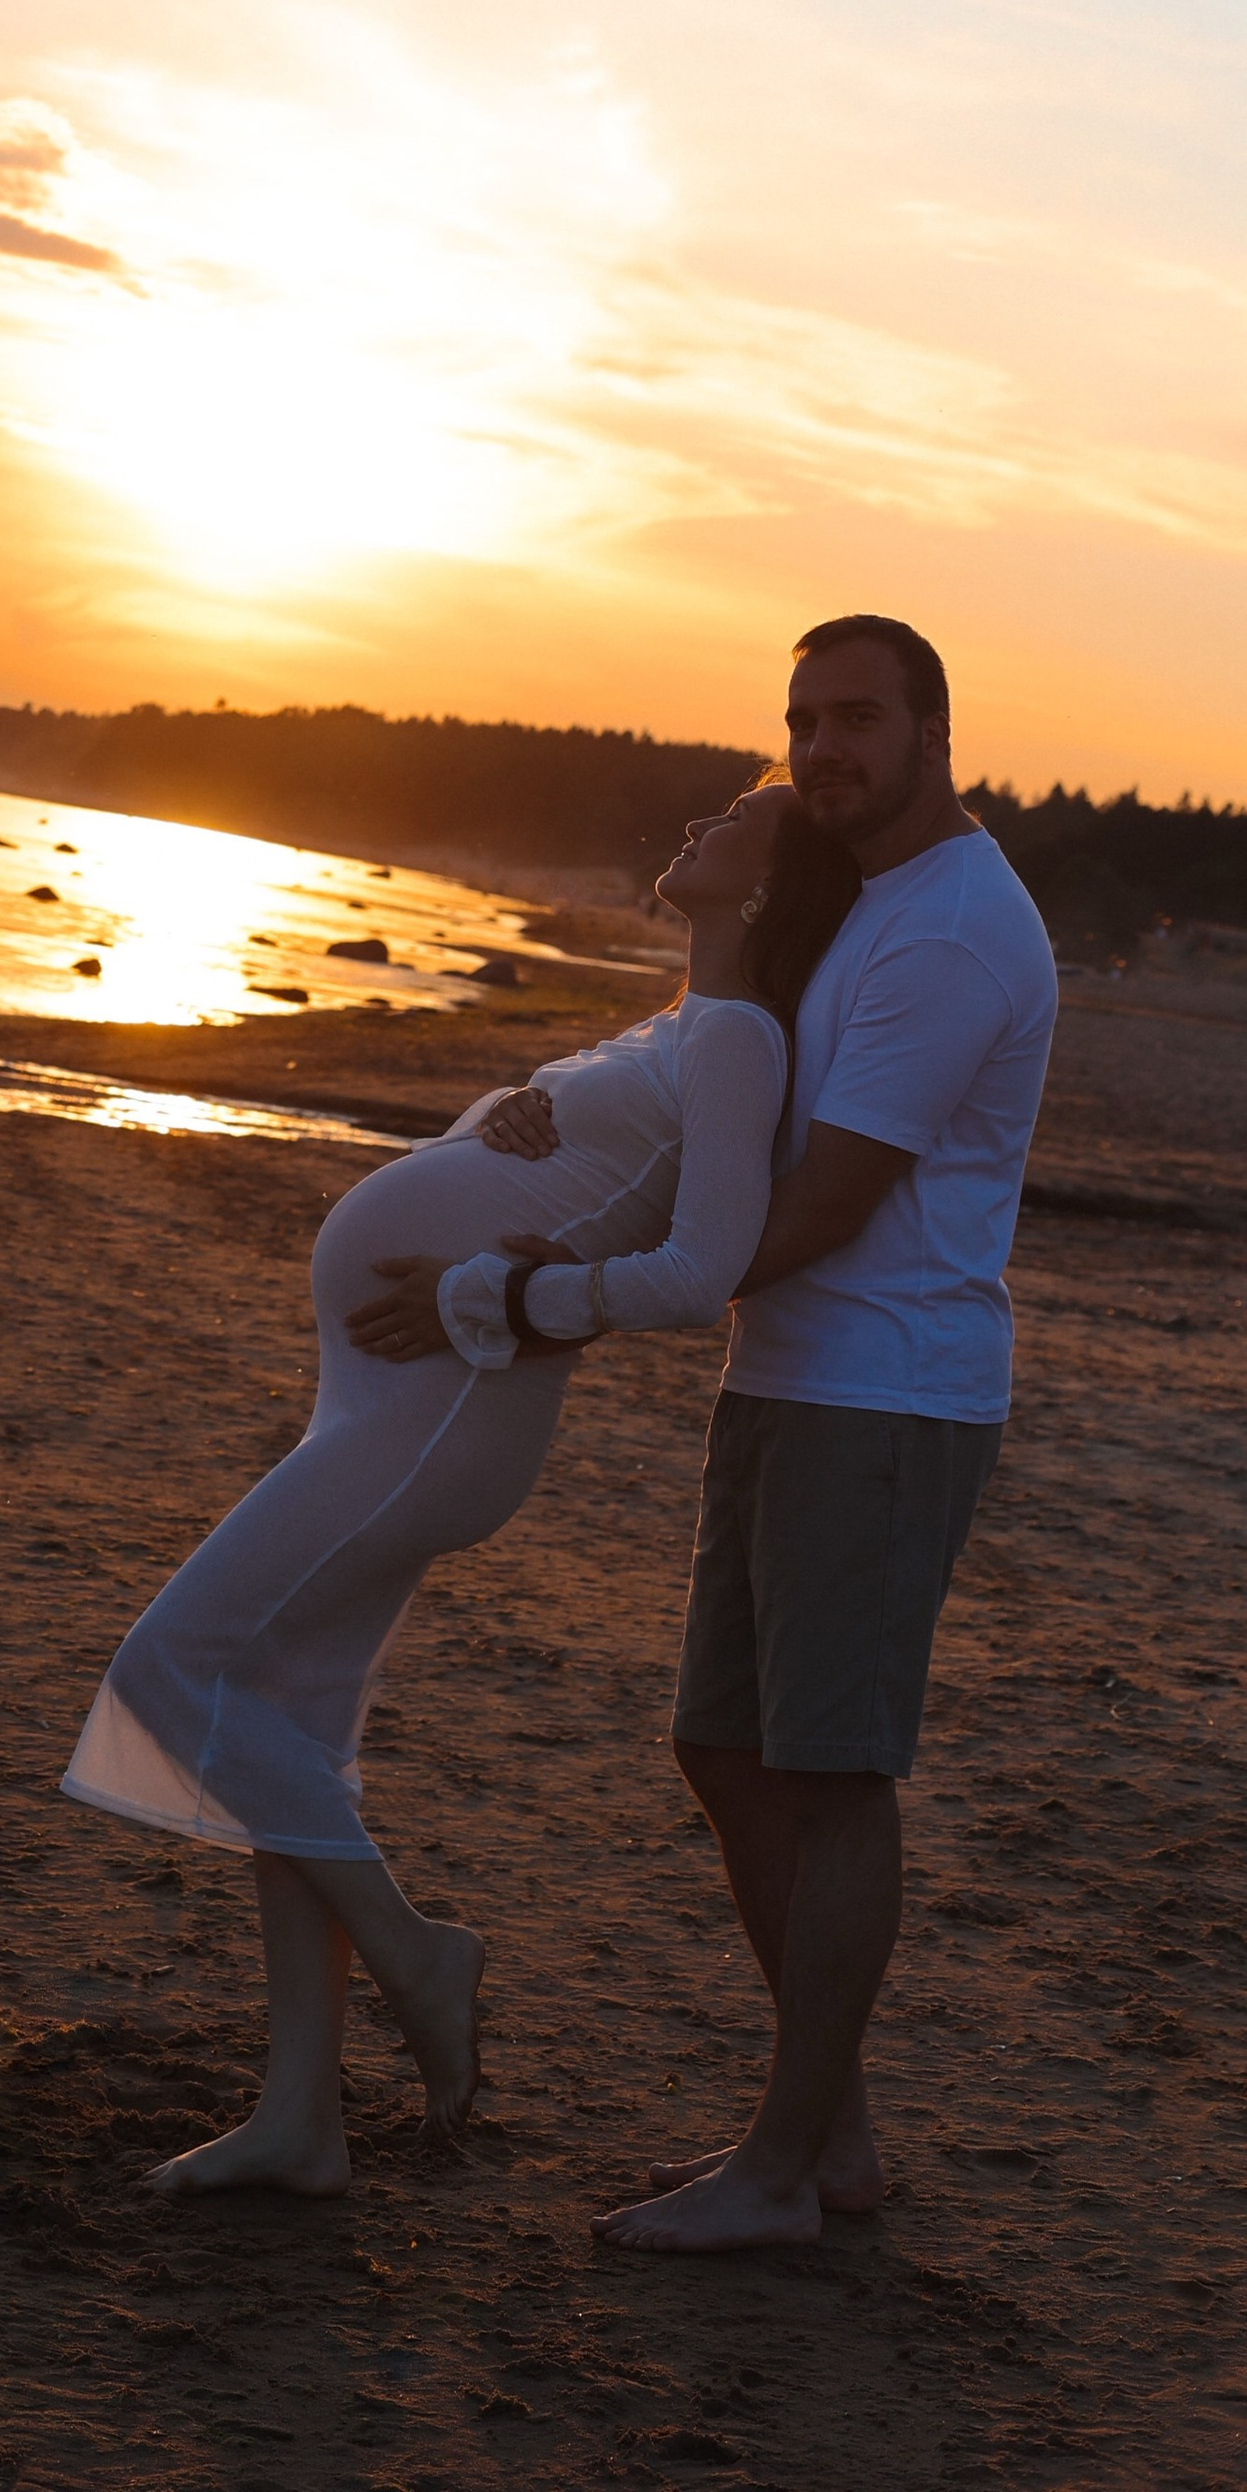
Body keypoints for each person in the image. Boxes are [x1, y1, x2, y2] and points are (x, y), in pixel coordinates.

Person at [58, 774, 861, 2192]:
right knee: (285, 1720)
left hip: (447, 1406)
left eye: (734, 822)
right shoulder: (686, 1022)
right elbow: (596, 1181)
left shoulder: (739, 1038)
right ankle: (301, 2114)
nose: (694, 828)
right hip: (391, 1395)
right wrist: (507, 1124)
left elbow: (697, 1273)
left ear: (768, 884)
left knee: (175, 1665)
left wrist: (483, 1284)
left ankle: (418, 1953)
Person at [461, 616, 1058, 2254]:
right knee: (724, 1750)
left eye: (857, 717)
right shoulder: (858, 904)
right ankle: (834, 2128)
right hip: (791, 1382)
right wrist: (550, 1158)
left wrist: (579, 1287)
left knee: (835, 1773)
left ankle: (788, 2167)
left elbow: (817, 1203)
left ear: (938, 726)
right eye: (801, 720)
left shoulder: (949, 934)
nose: (821, 751)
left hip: (885, 1394)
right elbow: (725, 1113)